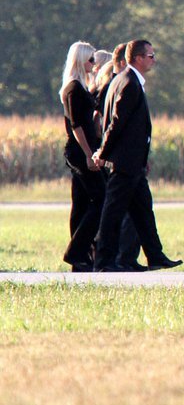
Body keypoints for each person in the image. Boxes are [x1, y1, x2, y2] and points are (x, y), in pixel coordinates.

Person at [91, 38, 182, 272]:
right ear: (138, 58)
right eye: (150, 56)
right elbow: (116, 123)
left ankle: (155, 255)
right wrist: (103, 152)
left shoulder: (123, 79)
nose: (154, 60)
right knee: (112, 213)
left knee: (143, 210)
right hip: (125, 162)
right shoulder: (129, 83)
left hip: (133, 163)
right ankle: (104, 262)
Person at [59, 41, 105, 272]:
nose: (94, 64)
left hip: (82, 149)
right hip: (80, 151)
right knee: (100, 197)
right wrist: (89, 154)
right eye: (90, 60)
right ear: (80, 61)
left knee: (80, 203)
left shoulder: (81, 87)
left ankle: (81, 259)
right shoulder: (74, 89)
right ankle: (76, 251)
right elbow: (77, 126)